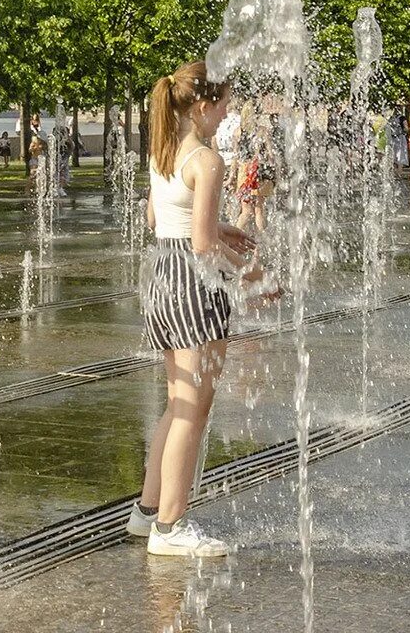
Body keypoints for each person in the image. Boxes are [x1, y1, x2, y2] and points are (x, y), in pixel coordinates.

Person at [129, 61, 267, 557]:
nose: (228, 114)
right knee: (193, 409)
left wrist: (217, 226)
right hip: (193, 285)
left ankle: (147, 512)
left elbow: (159, 217)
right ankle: (171, 528)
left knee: (177, 404)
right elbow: (204, 246)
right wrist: (253, 275)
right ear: (204, 106)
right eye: (225, 105)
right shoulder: (207, 160)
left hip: (163, 279)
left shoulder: (163, 150)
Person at [234, 102, 276, 234]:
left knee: (245, 211)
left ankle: (234, 236)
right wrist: (275, 172)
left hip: (244, 172)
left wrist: (231, 176)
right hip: (258, 171)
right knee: (259, 209)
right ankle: (261, 241)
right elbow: (270, 155)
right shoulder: (263, 131)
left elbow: (236, 157)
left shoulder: (237, 132)